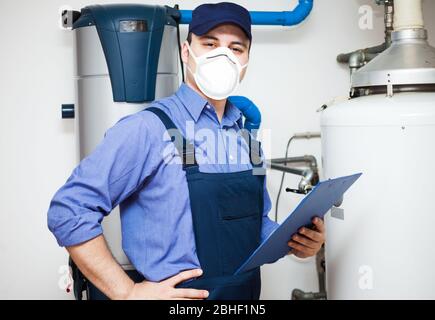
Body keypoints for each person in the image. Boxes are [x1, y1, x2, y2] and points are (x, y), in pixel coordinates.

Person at [47, 2, 325, 300]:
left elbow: (254, 227)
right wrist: (126, 292)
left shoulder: (247, 136)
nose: (223, 56)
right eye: (209, 44)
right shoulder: (148, 129)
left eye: (236, 48)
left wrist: (297, 241)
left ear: (246, 60)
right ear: (185, 51)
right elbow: (69, 210)